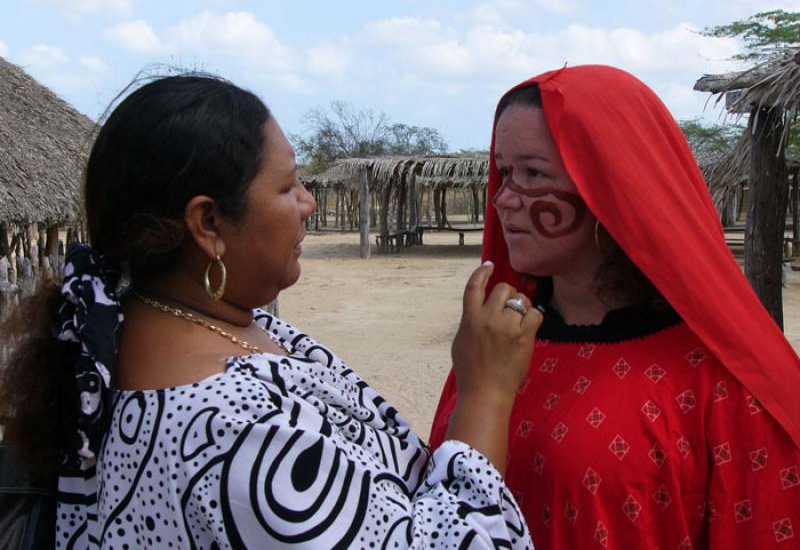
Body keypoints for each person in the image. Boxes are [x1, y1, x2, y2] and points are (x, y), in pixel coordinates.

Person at [0, 74, 543, 549]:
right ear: (208, 223)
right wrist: (487, 389)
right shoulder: (238, 441)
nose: (307, 202)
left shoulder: (165, 327)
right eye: (287, 186)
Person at [430, 65, 800, 549]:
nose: (503, 199)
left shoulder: (721, 375)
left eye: (534, 173)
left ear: (609, 187)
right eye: (504, 172)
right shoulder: (493, 345)